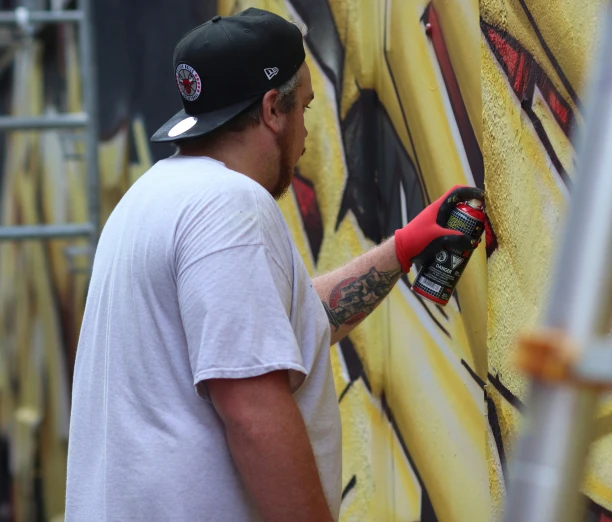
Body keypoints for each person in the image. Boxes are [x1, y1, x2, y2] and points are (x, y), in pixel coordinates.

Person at [64, 7, 483, 522]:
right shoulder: (228, 206)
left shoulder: (153, 197)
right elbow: (251, 409)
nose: (306, 133)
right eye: (304, 107)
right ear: (270, 109)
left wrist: (400, 250)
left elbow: (284, 328)